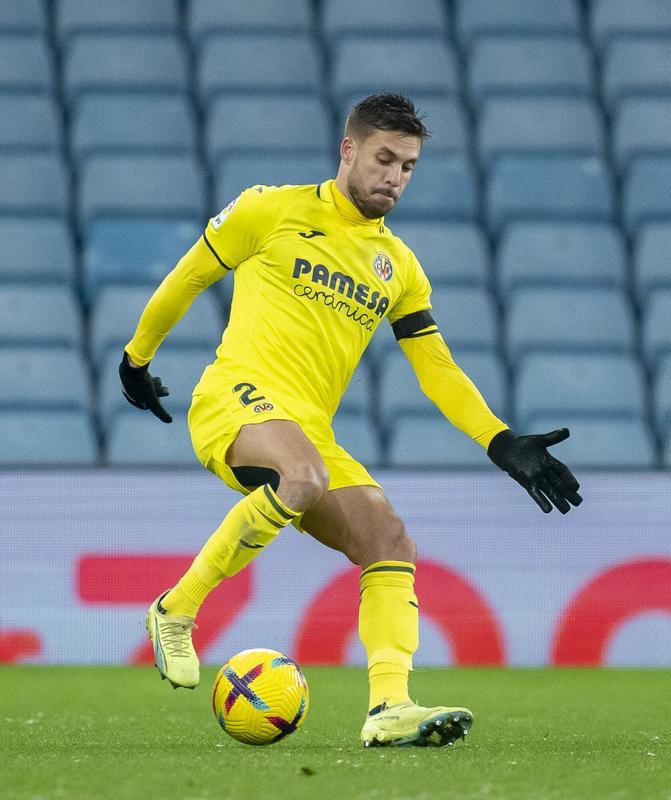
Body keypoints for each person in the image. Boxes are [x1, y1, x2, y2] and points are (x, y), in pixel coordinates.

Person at [121, 93, 583, 748]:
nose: (394, 176)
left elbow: (438, 368)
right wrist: (136, 360)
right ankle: (177, 610)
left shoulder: (399, 268)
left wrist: (498, 439)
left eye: (409, 166)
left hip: (307, 432)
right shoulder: (268, 209)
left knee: (388, 542)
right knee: (302, 475)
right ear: (349, 151)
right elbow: (188, 276)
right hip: (234, 397)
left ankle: (389, 707)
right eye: (384, 158)